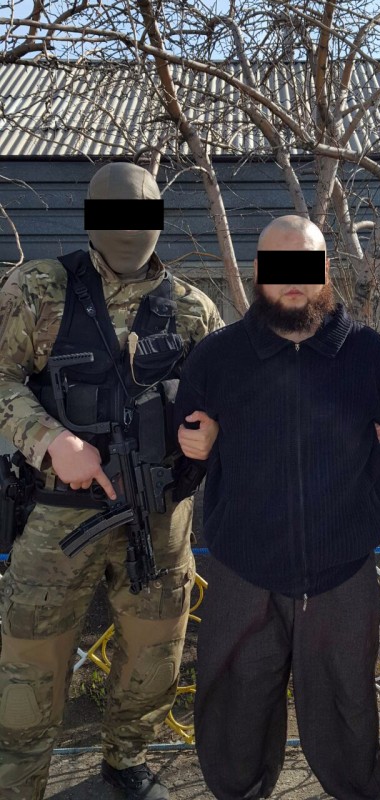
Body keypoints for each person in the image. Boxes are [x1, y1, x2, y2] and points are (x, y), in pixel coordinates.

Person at [0, 162, 223, 800]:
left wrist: (210, 431)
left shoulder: (192, 308)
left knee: (155, 653)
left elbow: (222, 398)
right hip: (60, 512)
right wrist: (51, 440)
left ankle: (127, 762)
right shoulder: (40, 287)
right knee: (30, 663)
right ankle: (18, 783)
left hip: (158, 512)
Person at [175, 214, 380, 800]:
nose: (292, 279)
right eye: (279, 266)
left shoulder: (368, 354)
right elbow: (187, 450)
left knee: (348, 705)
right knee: (236, 704)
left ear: (325, 270)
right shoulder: (217, 356)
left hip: (342, 567)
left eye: (305, 264)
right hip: (244, 565)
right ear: (258, 273)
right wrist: (198, 443)